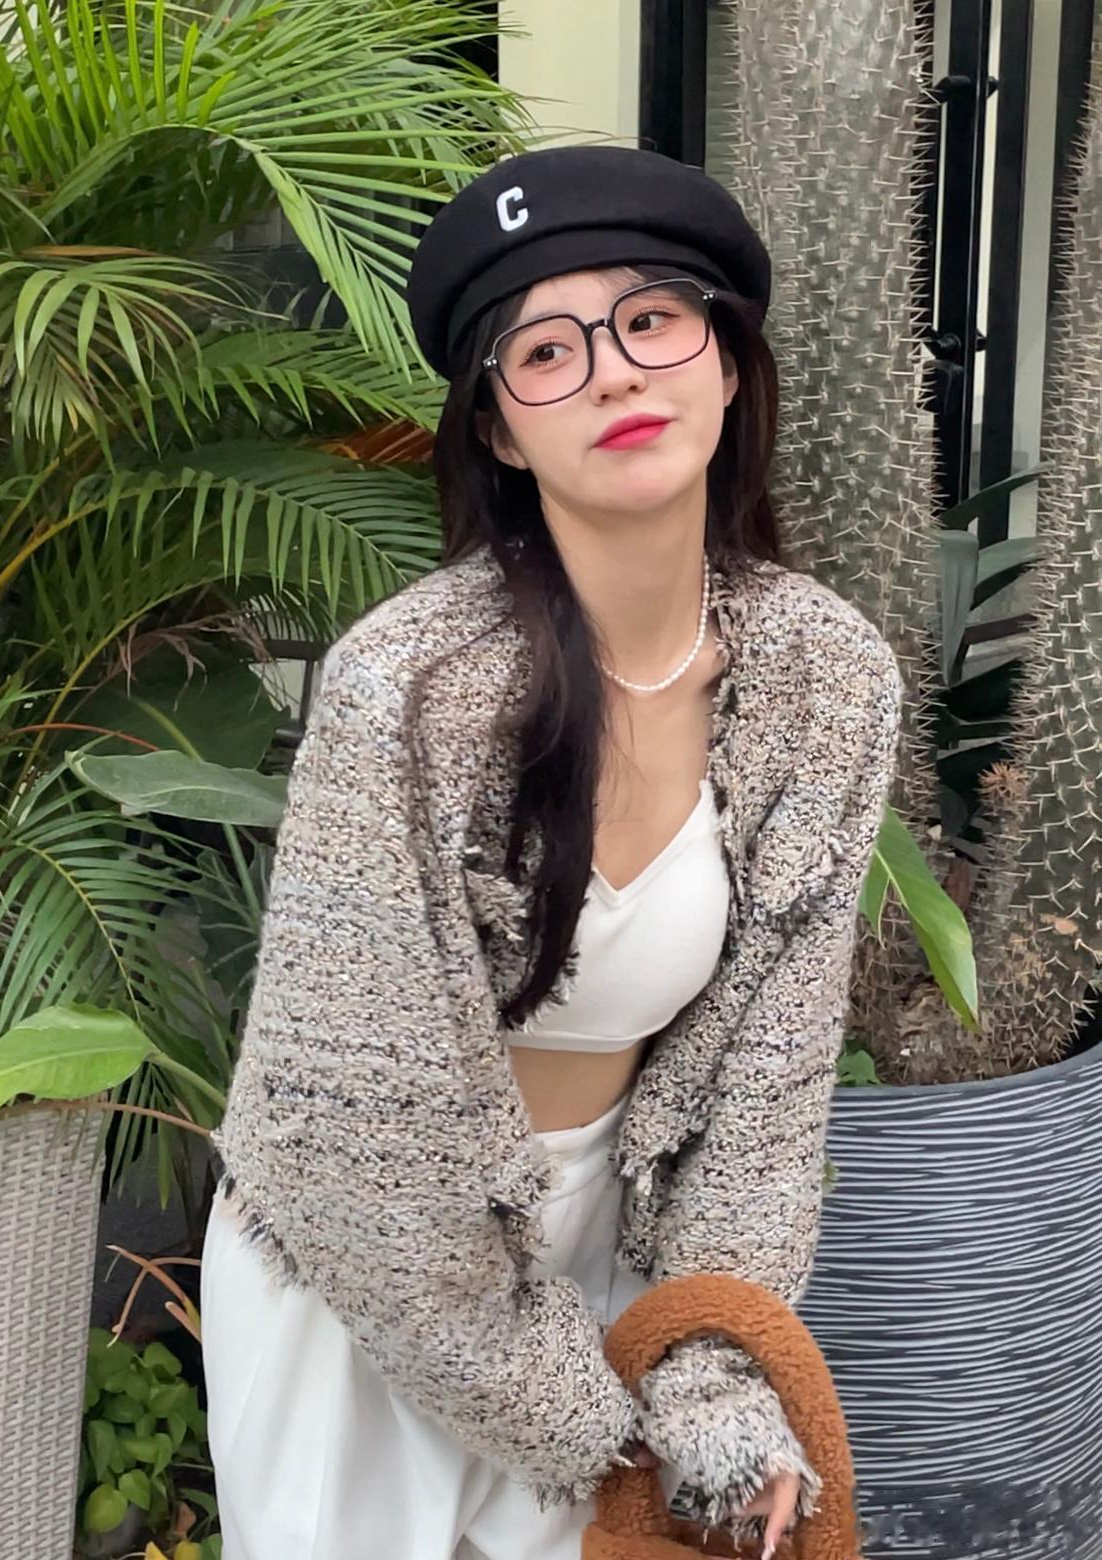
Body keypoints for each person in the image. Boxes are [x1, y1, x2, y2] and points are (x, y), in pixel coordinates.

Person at [200, 144, 902, 1560]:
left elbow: (764, 1101)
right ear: (502, 433)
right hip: (368, 1285)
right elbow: (365, 1160)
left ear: (725, 363)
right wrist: (603, 1431)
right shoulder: (409, 688)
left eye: (651, 320)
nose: (613, 374)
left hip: (610, 1246)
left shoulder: (828, 674)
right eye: (545, 351)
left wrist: (704, 1367)